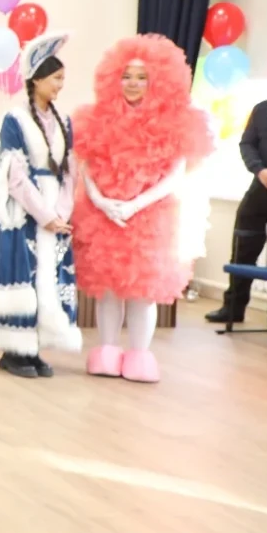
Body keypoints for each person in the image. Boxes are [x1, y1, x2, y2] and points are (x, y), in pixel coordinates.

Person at [72, 35, 213, 382]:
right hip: (104, 217)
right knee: (107, 291)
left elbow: (175, 175)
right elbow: (86, 166)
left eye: (141, 77)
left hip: (151, 220)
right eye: (126, 76)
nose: (132, 84)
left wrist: (135, 205)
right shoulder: (96, 119)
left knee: (142, 294)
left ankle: (138, 355)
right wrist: (102, 202)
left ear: (157, 81)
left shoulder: (175, 123)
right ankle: (106, 352)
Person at [0, 33, 83, 376]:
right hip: (24, 212)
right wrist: (44, 215)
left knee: (48, 280)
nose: (61, 85)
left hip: (54, 212)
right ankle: (15, 349)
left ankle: (35, 348)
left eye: (62, 78)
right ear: (37, 79)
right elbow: (14, 174)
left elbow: (70, 171)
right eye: (56, 78)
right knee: (22, 276)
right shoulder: (14, 120)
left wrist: (61, 213)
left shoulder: (64, 122)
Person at [206, 96, 267, 328]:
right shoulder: (263, 109)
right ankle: (233, 309)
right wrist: (260, 171)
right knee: (242, 249)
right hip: (261, 188)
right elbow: (247, 144)